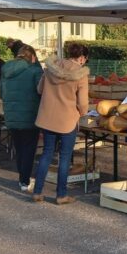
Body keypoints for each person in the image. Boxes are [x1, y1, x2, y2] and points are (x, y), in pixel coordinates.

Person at [33, 42, 89, 204]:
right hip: (67, 121)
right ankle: (61, 195)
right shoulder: (81, 74)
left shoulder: (51, 68)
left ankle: (37, 191)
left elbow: (39, 90)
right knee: (64, 158)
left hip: (47, 118)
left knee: (46, 154)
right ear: (81, 58)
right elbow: (83, 102)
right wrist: (82, 113)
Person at [0, 44, 42, 197]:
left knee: (18, 147)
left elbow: (1, 94)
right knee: (29, 149)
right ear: (32, 57)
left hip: (11, 116)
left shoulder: (5, 70)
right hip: (30, 116)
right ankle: (24, 181)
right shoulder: (35, 71)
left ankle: (22, 179)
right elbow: (41, 92)